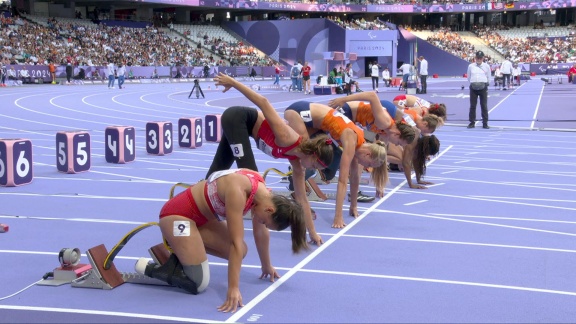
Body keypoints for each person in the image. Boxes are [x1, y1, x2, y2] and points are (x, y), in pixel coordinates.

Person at [141, 168, 307, 313]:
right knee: (198, 283)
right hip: (177, 216)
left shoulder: (262, 195)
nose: (260, 222)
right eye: (265, 221)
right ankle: (147, 267)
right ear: (270, 209)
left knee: (242, 250)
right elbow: (235, 243)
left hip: (201, 221)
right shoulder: (238, 192)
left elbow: (260, 233)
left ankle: (185, 245)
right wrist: (233, 288)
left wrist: (266, 265)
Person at [208, 73, 333, 245]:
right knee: (252, 183)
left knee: (212, 176)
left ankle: (193, 210)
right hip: (237, 119)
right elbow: (264, 102)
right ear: (313, 155)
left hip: (243, 132)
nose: (315, 170)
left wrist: (312, 232)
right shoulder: (288, 137)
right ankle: (257, 243)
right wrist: (233, 82)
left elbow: (302, 199)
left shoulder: (297, 165)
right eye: (316, 165)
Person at [284, 98, 388, 228]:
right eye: (370, 165)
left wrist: (353, 206)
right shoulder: (352, 140)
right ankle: (298, 197)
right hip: (298, 112)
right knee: (305, 158)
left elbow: (355, 178)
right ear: (368, 154)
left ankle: (299, 190)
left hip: (315, 123)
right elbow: (343, 181)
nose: (367, 167)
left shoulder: (360, 144)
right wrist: (338, 217)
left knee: (316, 160)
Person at [467, 51, 491, 129]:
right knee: (473, 106)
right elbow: (468, 76)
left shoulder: (486, 66)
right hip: (473, 87)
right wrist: (472, 82)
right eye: (478, 58)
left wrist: (486, 84)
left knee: (484, 105)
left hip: (483, 88)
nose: (479, 59)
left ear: (483, 58)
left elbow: (489, 76)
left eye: (480, 58)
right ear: (475, 58)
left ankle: (485, 123)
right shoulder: (471, 66)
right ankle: (471, 122)